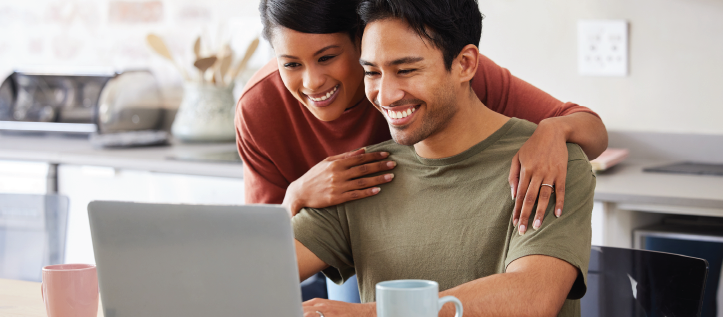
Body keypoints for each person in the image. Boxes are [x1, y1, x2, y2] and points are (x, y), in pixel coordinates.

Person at [238, 0, 605, 301]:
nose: (385, 94)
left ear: (465, 66)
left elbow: (530, 298)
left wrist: (554, 130)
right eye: (373, 72)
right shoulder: (361, 173)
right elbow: (249, 273)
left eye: (406, 70)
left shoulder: (552, 166)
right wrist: (294, 197)